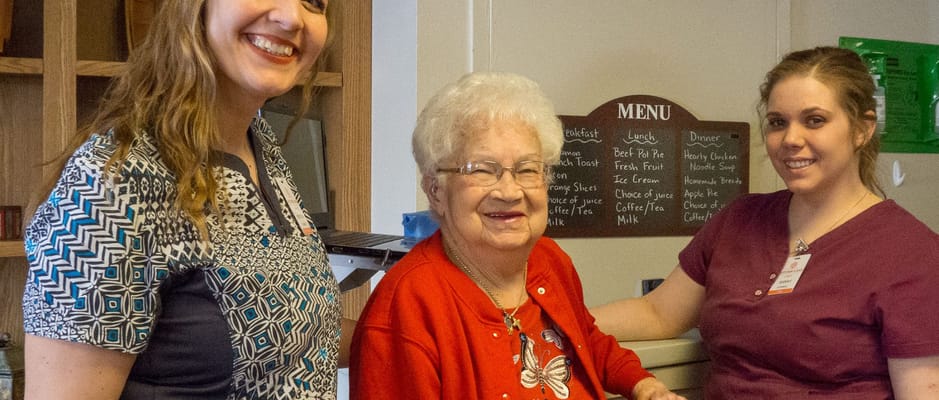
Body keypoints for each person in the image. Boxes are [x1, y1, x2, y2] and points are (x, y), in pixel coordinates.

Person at [21, 1, 355, 399]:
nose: (291, 17)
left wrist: (418, 313)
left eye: (314, 1)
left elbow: (293, 337)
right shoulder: (114, 180)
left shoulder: (260, 145)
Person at [590, 46, 939, 398]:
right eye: (778, 122)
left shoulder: (911, 252)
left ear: (863, 129)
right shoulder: (740, 219)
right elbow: (658, 313)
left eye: (814, 120)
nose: (791, 139)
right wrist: (547, 319)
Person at [349, 72, 684, 400]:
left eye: (527, 169)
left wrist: (644, 385)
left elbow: (588, 340)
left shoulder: (549, 260)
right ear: (436, 191)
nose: (509, 191)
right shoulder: (407, 306)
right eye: (481, 169)